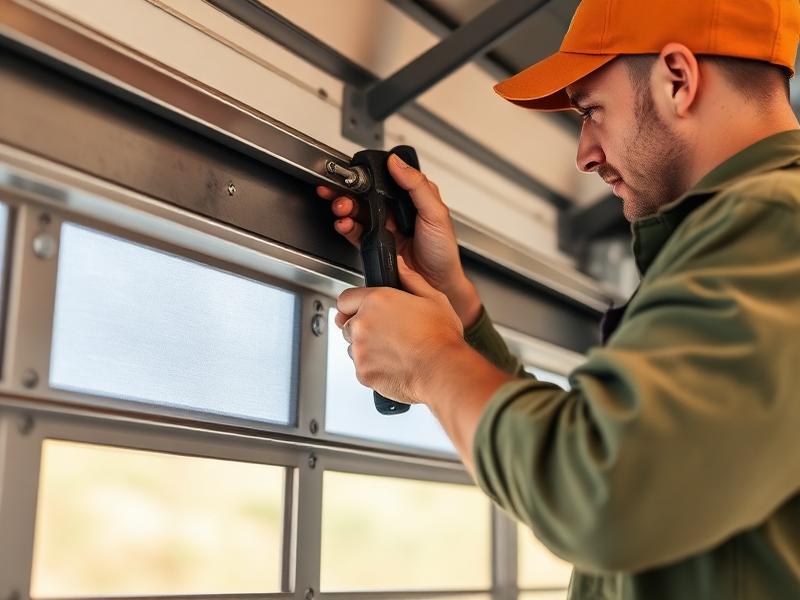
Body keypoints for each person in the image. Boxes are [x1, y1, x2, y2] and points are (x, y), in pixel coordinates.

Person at [316, 0, 800, 597]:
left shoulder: (774, 223)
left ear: (679, 79)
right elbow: (612, 447)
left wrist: (432, 361)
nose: (585, 155)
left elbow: (606, 492)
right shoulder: (746, 235)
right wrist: (457, 313)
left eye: (592, 111)